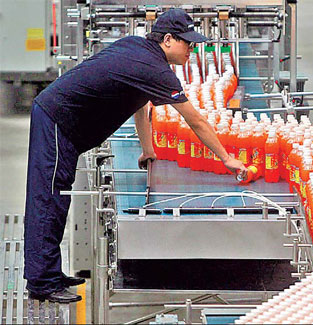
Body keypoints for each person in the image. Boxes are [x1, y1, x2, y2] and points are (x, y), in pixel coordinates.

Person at [24, 8, 247, 303]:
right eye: (188, 43)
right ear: (168, 39)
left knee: (57, 197)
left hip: (62, 124)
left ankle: (49, 273)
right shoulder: (155, 68)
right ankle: (42, 282)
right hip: (57, 119)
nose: (191, 51)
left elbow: (140, 104)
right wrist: (226, 158)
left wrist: (147, 149)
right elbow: (196, 121)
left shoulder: (139, 49)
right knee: (48, 198)